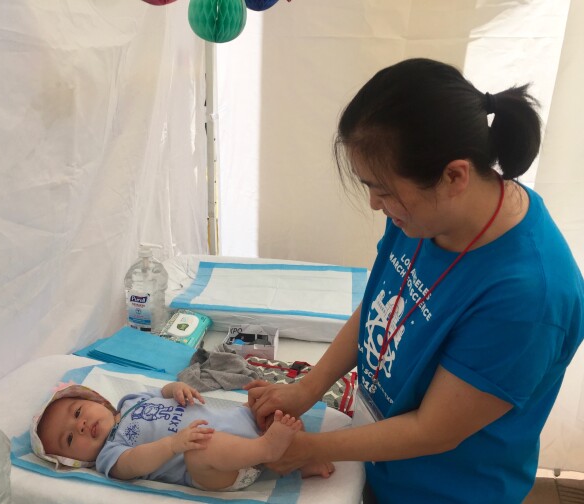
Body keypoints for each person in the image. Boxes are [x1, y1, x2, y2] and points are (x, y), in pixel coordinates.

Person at [245, 58, 584, 504]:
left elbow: (432, 431)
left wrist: (306, 448)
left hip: (445, 491)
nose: (374, 204)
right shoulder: (425, 216)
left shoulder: (528, 298)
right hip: (381, 461)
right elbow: (379, 304)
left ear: (454, 176)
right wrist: (307, 388)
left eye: (384, 190)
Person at [30, 381, 333, 492]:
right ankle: (267, 451)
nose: (81, 426)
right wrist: (172, 445)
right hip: (215, 471)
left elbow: (160, 391)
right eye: (70, 439)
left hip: (235, 423)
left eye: (78, 412)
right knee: (201, 448)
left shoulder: (130, 401)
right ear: (73, 459)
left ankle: (300, 461)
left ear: (97, 401)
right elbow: (133, 464)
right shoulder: (108, 454)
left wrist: (176, 389)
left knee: (258, 398)